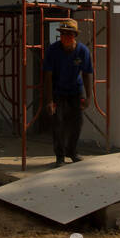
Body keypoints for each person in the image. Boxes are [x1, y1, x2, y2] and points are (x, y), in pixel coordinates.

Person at [42, 18, 93, 166]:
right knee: (58, 123)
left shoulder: (82, 51)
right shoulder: (52, 50)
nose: (66, 37)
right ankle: (60, 156)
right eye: (63, 34)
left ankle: (72, 151)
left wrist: (88, 97)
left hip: (75, 91)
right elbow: (48, 76)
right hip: (57, 91)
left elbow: (87, 73)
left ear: (74, 36)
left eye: (69, 34)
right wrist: (50, 100)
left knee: (77, 123)